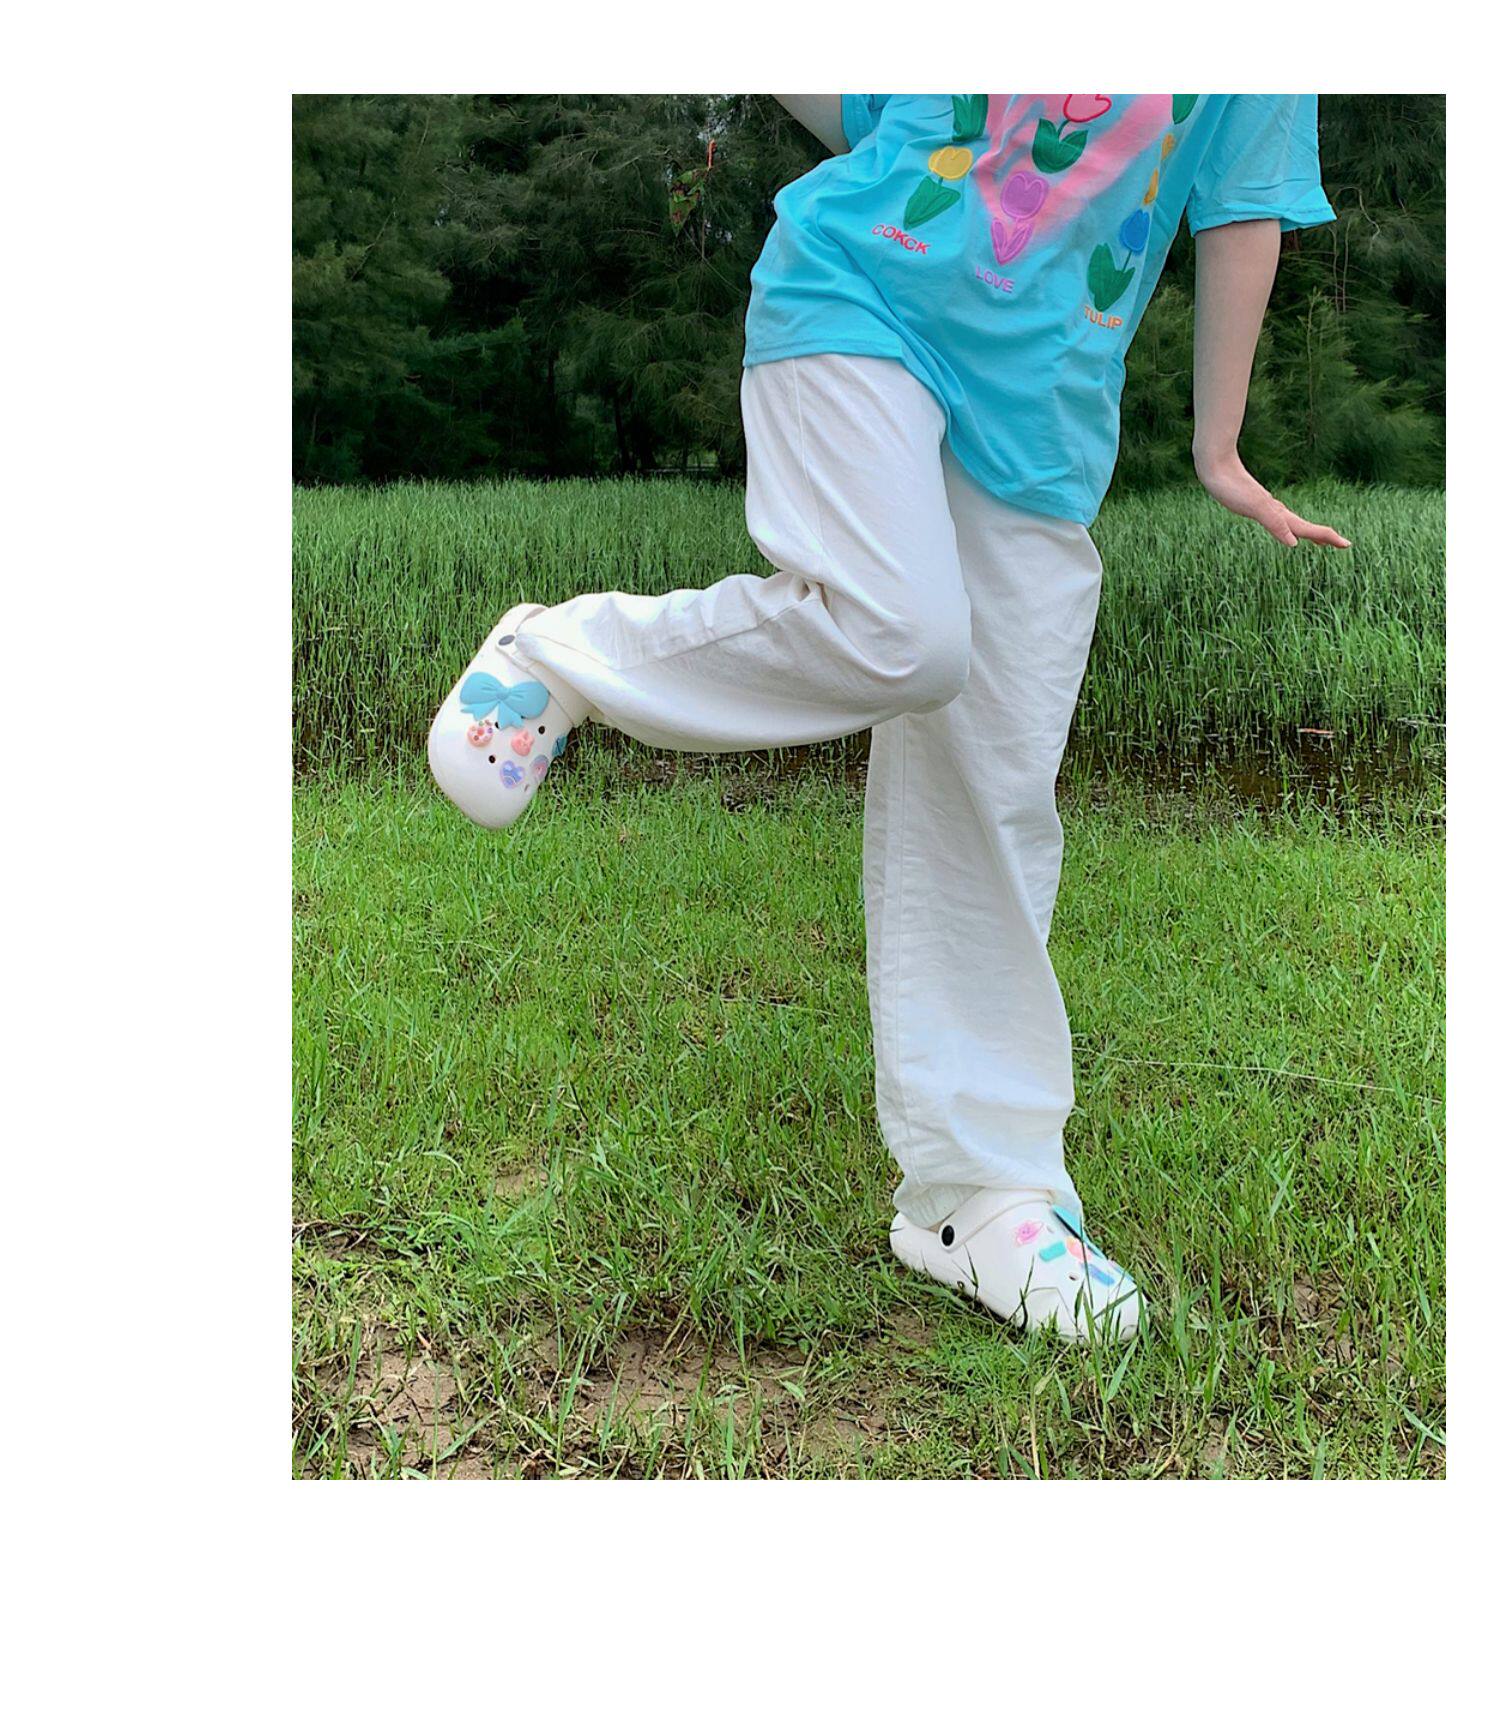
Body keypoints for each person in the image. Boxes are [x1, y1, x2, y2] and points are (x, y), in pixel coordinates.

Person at [428, 93, 1351, 1343]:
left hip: (1044, 408)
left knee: (997, 781)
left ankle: (979, 1198)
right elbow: (863, 97)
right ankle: (567, 652)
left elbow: (1243, 204)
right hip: (861, 297)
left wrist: (1219, 446)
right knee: (900, 631)